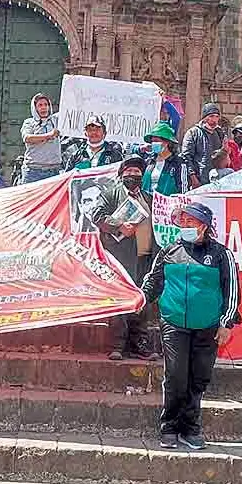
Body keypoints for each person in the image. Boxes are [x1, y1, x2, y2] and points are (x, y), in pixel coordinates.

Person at [142, 202, 241, 450]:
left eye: (191, 222)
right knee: (175, 375)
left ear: (204, 226)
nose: (185, 226)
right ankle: (169, 427)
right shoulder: (168, 252)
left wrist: (226, 323)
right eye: (182, 222)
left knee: (199, 377)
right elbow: (152, 283)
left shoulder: (221, 255)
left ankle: (191, 428)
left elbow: (232, 292)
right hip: (173, 322)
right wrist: (137, 299)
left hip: (207, 325)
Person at [90, 155, 157, 361]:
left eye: (137, 172)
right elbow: (96, 215)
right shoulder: (111, 194)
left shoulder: (149, 198)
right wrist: (119, 225)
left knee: (142, 299)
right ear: (121, 175)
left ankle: (140, 344)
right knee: (121, 297)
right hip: (121, 257)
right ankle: (117, 345)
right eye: (129, 172)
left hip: (145, 257)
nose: (133, 175)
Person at [180, 103, 229, 189]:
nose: (214, 120)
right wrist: (193, 178)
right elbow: (186, 157)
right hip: (198, 180)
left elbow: (222, 158)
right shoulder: (193, 133)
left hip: (216, 181)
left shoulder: (219, 133)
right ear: (204, 117)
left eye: (217, 117)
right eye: (211, 116)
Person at [20, 93, 62, 183]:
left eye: (46, 105)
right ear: (35, 108)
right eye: (40, 105)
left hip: (53, 172)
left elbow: (69, 112)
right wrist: (49, 135)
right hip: (33, 172)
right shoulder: (29, 123)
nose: (43, 107)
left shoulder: (56, 120)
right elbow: (27, 138)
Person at [141, 122, 189, 196]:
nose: (154, 143)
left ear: (167, 142)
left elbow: (183, 191)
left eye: (156, 141)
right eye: (152, 141)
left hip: (168, 205)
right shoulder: (149, 161)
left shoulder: (179, 163)